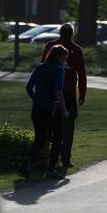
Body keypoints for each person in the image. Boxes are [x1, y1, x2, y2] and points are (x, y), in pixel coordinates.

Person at [41, 24, 87, 169]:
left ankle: (47, 157)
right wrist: (82, 94)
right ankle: (65, 158)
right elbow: (82, 74)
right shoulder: (77, 49)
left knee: (49, 123)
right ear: (72, 34)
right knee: (68, 125)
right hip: (68, 92)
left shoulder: (50, 46)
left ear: (59, 32)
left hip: (51, 91)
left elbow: (43, 66)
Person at [22, 45, 70, 180]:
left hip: (37, 109)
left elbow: (29, 87)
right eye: (64, 57)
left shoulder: (40, 67)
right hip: (53, 110)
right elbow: (58, 91)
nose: (65, 60)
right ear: (58, 56)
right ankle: (51, 169)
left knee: (40, 138)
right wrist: (65, 110)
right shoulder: (59, 70)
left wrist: (36, 99)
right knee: (57, 137)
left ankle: (28, 158)